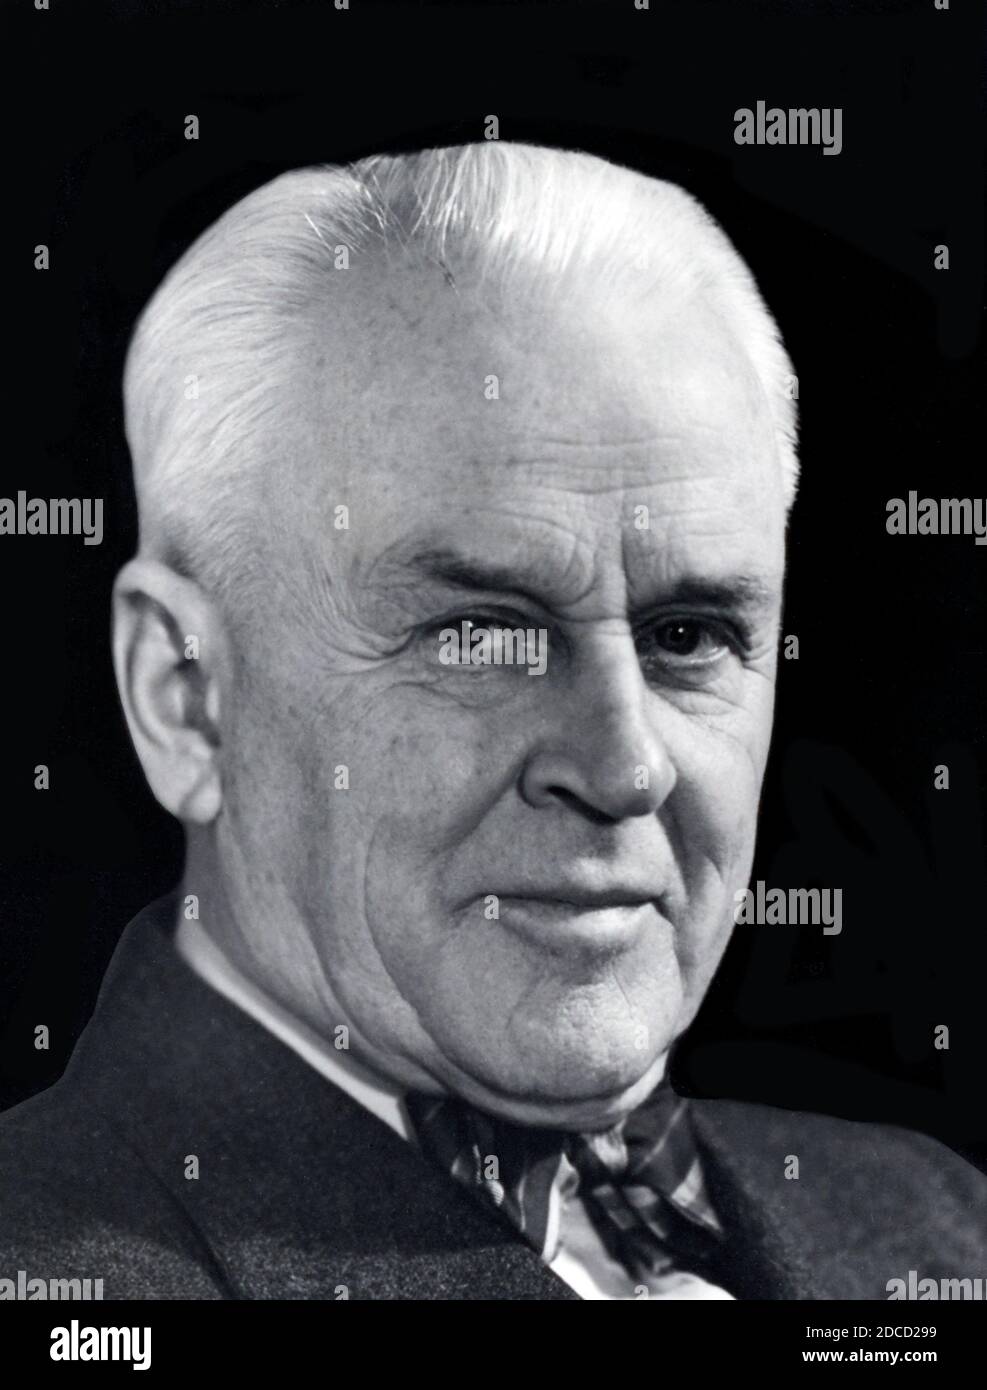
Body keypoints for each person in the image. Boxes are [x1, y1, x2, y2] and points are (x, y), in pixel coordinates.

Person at [1, 142, 983, 1300]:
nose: (626, 766)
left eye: (688, 635)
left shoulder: (945, 1227)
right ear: (185, 697)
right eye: (483, 636)